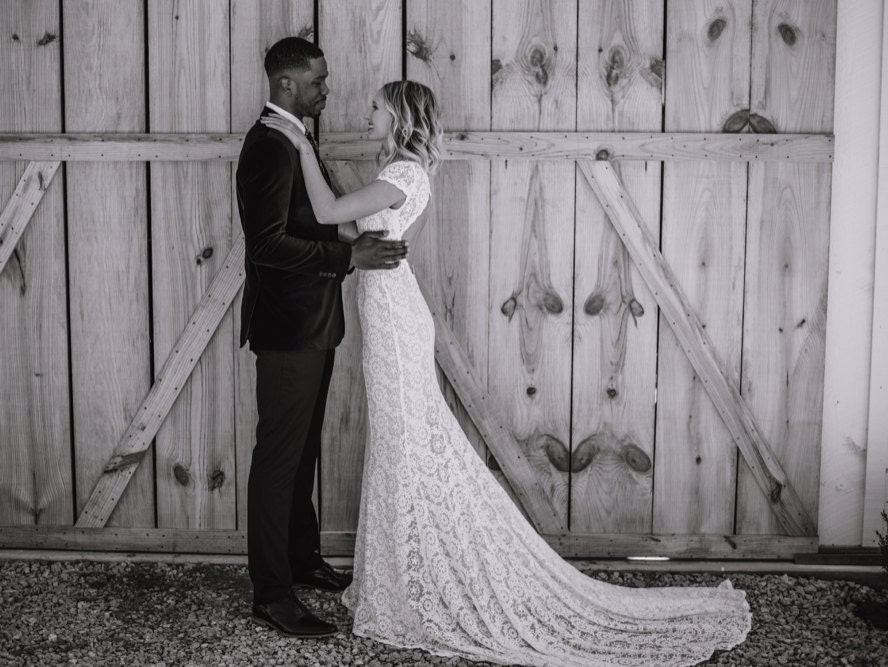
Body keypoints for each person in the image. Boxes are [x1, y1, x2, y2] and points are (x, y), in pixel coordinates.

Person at [262, 78, 753, 666]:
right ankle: (400, 577)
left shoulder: (404, 174)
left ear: (397, 115)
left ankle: (428, 579)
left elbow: (325, 210)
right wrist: (334, 217)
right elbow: (351, 229)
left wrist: (297, 141)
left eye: (374, 108)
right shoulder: (398, 171)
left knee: (408, 443)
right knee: (398, 445)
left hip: (394, 321)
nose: (365, 114)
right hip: (388, 313)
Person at [236, 36, 408, 640]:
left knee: (303, 450)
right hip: (286, 329)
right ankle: (271, 592)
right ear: (287, 85)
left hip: (315, 325)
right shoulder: (268, 145)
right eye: (317, 82)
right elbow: (265, 245)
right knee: (278, 459)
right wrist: (346, 256)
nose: (326, 90)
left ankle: (303, 560)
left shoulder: (297, 138)